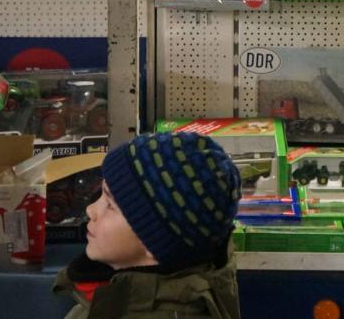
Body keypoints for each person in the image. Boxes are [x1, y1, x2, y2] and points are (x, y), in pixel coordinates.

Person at [53, 131, 243, 319]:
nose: (90, 210)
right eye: (101, 194)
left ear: (155, 240)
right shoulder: (115, 297)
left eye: (110, 205)